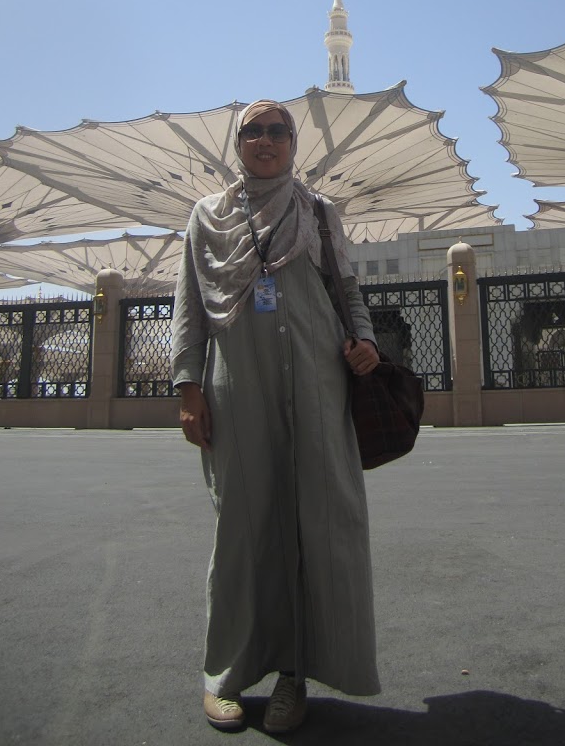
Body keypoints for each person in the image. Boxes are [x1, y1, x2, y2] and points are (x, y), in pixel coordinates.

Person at [171, 99, 381, 734]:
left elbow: (346, 287)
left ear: (294, 142)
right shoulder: (208, 216)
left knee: (319, 520)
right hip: (239, 385)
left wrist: (367, 340)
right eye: (253, 132)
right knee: (242, 522)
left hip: (318, 378)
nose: (265, 141)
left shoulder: (317, 211)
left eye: (277, 132)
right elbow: (189, 306)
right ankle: (225, 675)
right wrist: (188, 387)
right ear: (237, 144)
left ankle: (296, 674)